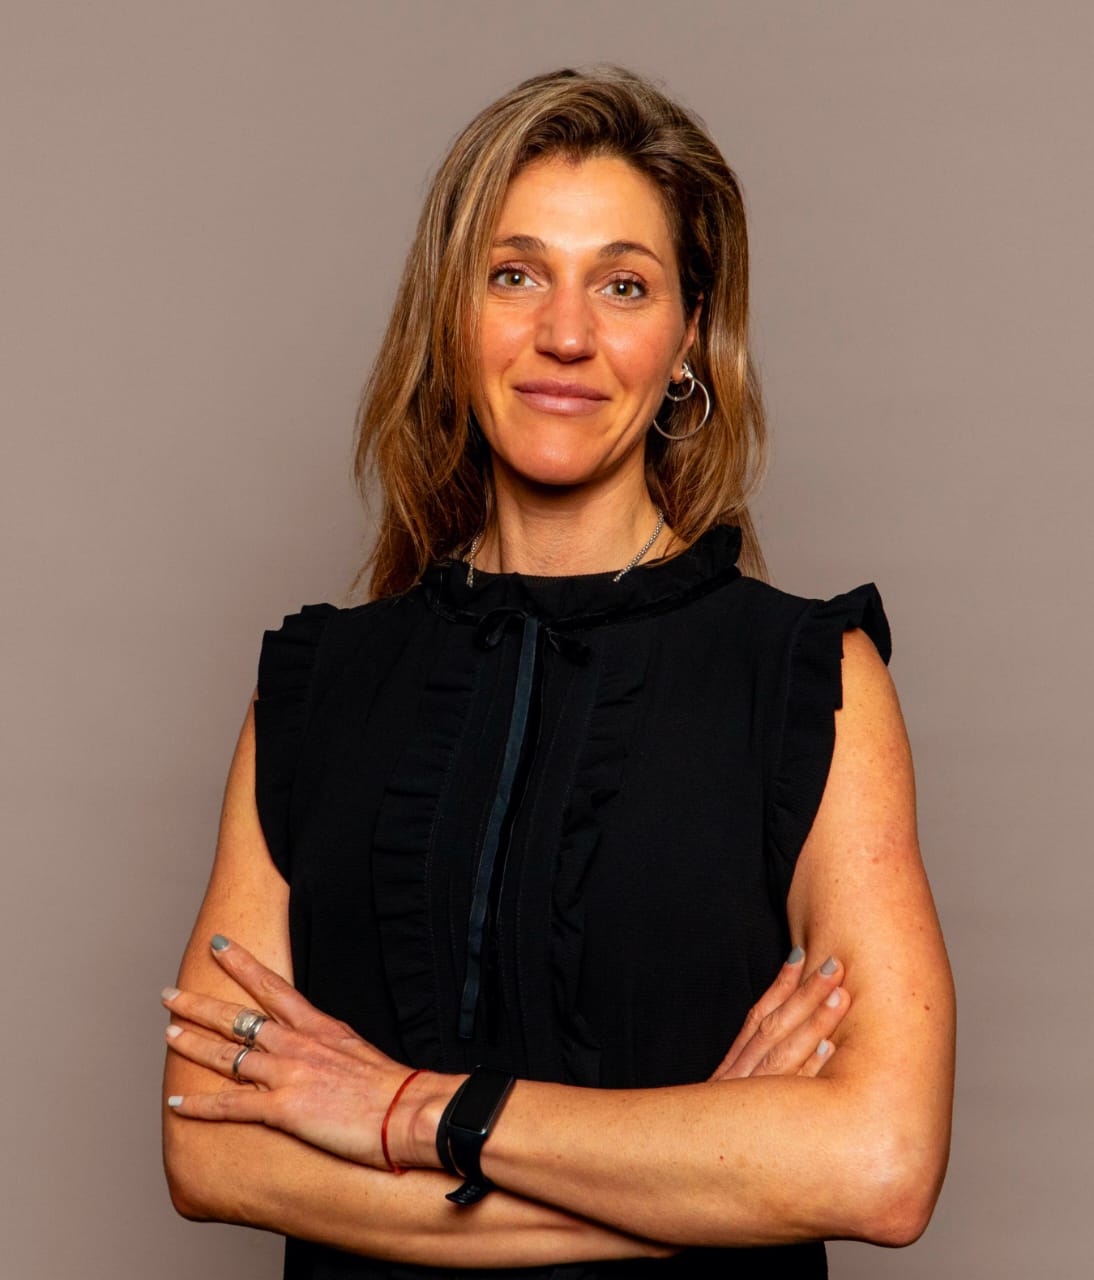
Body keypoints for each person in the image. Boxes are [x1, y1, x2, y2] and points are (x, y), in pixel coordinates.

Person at [162, 67, 955, 1279]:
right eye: (515, 274)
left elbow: (879, 1162)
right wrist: (698, 1175)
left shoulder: (807, 678)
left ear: (687, 336)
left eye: (622, 284)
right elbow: (210, 1152)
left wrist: (406, 1108)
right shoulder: (315, 689)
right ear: (451, 313)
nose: (566, 334)